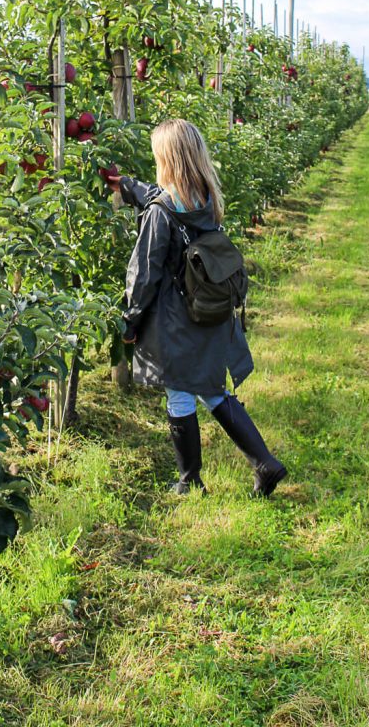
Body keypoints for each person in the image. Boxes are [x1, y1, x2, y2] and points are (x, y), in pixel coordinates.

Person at [109, 118, 287, 497]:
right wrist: (130, 188)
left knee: (180, 393)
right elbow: (163, 199)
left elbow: (143, 275)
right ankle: (265, 463)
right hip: (208, 312)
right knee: (211, 388)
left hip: (178, 321)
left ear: (168, 160)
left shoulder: (161, 212)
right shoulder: (205, 198)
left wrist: (131, 320)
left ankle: (189, 481)